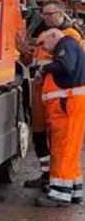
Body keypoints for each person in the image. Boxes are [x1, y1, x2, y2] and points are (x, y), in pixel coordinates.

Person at [16, 0, 83, 189]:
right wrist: (24, 53)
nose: (45, 17)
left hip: (60, 95)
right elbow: (33, 63)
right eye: (43, 13)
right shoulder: (47, 36)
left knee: (61, 142)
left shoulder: (70, 38)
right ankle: (47, 174)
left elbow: (69, 66)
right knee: (39, 135)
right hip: (43, 96)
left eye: (49, 14)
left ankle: (57, 180)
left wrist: (44, 72)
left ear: (61, 14)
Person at [32, 28, 85, 207]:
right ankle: (74, 191)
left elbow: (65, 66)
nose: (43, 48)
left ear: (53, 36)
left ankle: (59, 194)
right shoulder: (69, 45)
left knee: (62, 149)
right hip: (69, 105)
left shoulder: (66, 44)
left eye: (43, 43)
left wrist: (44, 68)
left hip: (66, 106)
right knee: (69, 150)